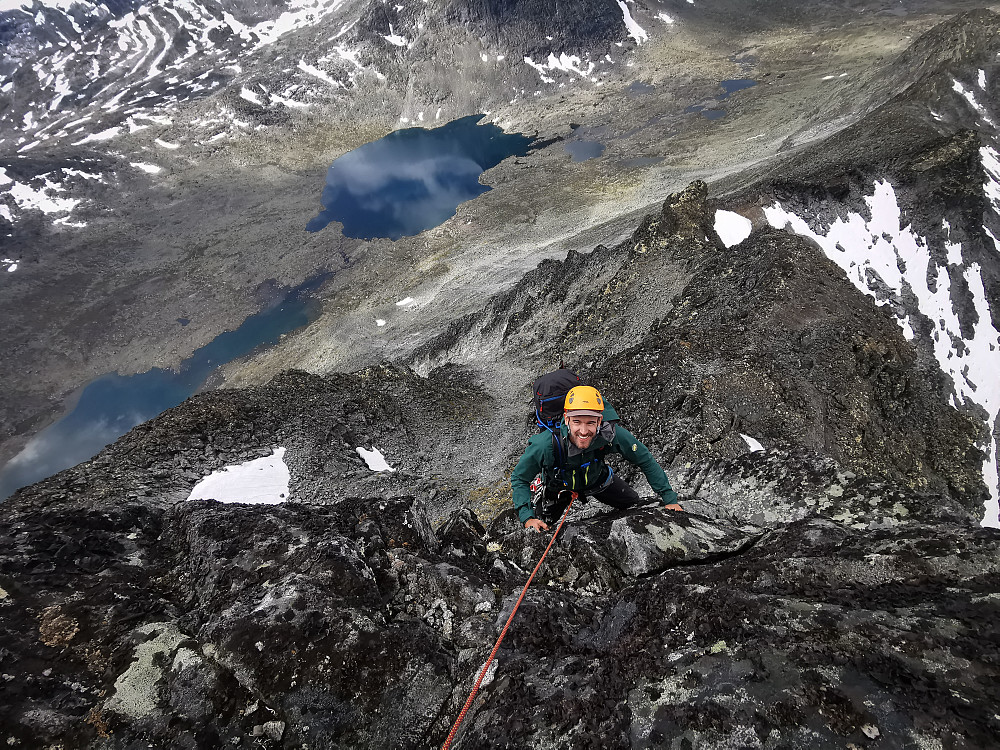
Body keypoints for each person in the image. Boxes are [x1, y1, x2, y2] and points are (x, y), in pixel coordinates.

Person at [511, 385, 684, 532]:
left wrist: (669, 499)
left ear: (600, 421)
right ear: (566, 419)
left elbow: (644, 458)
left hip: (598, 480)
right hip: (559, 488)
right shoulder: (545, 445)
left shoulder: (610, 435)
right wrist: (527, 518)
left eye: (590, 423)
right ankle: (541, 493)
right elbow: (520, 477)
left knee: (632, 502)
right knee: (542, 527)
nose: (584, 431)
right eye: (577, 422)